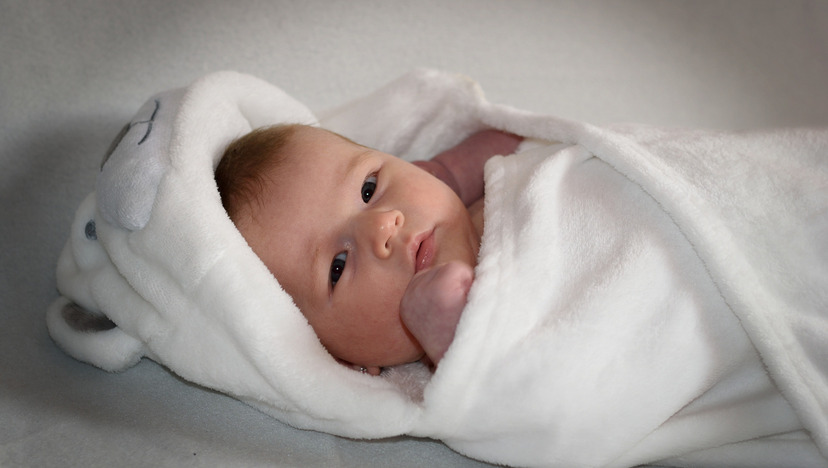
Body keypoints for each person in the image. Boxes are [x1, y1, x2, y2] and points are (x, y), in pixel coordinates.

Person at [214, 123, 523, 375]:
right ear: (341, 361)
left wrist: (446, 171)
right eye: (338, 267)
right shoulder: (458, 379)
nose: (381, 227)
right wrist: (452, 337)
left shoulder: (477, 190)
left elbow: (514, 135)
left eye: (368, 189)